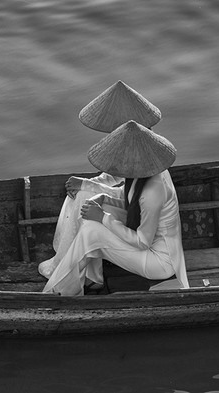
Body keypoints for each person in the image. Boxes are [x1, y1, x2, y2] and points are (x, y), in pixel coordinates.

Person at [42, 120, 188, 295]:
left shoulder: (153, 191)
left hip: (159, 262)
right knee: (90, 211)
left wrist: (103, 217)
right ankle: (83, 281)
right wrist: (103, 198)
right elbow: (131, 199)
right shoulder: (146, 172)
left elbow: (142, 242)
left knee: (91, 232)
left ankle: (62, 292)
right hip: (147, 246)